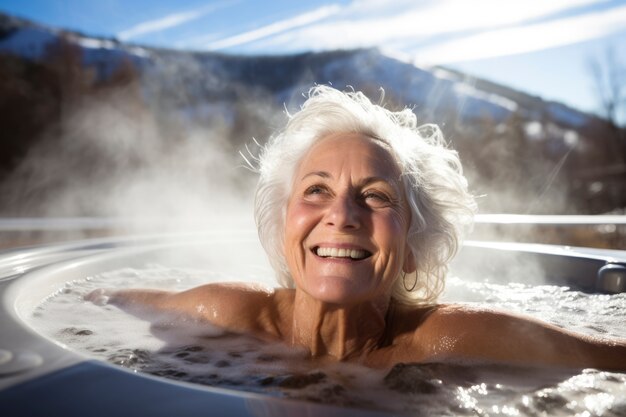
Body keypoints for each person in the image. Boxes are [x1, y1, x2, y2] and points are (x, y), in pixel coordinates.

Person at [87, 86, 626, 371]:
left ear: (413, 246)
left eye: (376, 195)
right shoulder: (232, 315)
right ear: (283, 229)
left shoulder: (446, 339)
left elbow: (611, 356)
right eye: (316, 189)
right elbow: (98, 302)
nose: (342, 215)